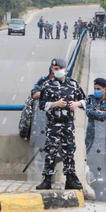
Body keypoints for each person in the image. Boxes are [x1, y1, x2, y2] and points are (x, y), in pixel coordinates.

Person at [36, 58, 86, 190]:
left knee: (69, 151)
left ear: (65, 69)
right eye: (55, 69)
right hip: (53, 124)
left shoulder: (73, 84)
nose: (57, 71)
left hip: (68, 124)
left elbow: (85, 101)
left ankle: (70, 179)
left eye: (59, 68)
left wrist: (77, 104)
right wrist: (55, 104)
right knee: (50, 151)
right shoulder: (47, 85)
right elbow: (41, 105)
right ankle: (47, 179)